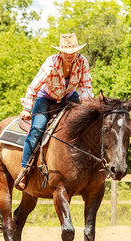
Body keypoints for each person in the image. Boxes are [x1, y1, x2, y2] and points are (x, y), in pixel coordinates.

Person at [14, 33, 93, 190]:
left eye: (73, 51)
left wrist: (86, 109)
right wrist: (27, 108)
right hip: (46, 97)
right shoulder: (51, 63)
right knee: (37, 129)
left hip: (69, 96)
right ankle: (24, 169)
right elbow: (33, 87)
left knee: (85, 125)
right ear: (60, 52)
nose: (70, 55)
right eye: (66, 52)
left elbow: (85, 87)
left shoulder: (82, 62)